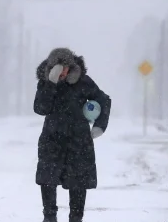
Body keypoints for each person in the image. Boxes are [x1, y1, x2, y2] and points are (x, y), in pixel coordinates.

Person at [33, 48, 111, 222]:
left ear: (70, 67)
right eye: (57, 69)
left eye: (64, 68)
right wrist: (51, 84)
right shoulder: (47, 83)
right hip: (52, 139)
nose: (61, 73)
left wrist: (100, 126)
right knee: (48, 180)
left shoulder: (83, 82)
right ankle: (49, 216)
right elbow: (40, 108)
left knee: (78, 182)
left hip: (79, 141)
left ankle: (76, 218)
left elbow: (103, 100)